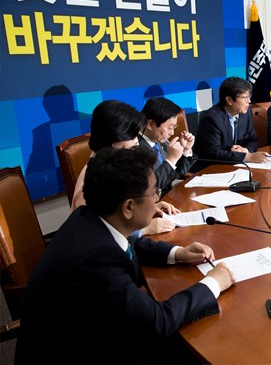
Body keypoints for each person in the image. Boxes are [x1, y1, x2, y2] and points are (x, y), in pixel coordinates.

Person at [16, 147, 235, 364]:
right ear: (128, 207)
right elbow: (157, 322)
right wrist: (213, 283)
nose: (158, 197)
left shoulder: (89, 217)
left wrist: (177, 253)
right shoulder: (95, 260)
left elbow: (129, 244)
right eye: (154, 192)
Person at [72, 100, 177, 236]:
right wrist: (144, 229)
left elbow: (114, 214)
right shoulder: (91, 181)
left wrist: (144, 209)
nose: (137, 143)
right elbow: (94, 233)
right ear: (114, 139)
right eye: (132, 137)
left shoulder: (113, 167)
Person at [193, 77, 270, 164]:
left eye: (249, 96)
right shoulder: (211, 118)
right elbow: (214, 152)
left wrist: (246, 150)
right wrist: (247, 157)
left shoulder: (246, 112)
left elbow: (253, 139)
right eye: (245, 97)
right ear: (229, 100)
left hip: (236, 164)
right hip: (211, 166)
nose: (249, 101)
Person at [139, 97, 195, 196]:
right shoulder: (136, 148)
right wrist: (171, 160)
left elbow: (176, 173)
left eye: (174, 127)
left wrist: (186, 150)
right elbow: (150, 188)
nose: (172, 133)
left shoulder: (160, 141)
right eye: (169, 128)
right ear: (150, 124)